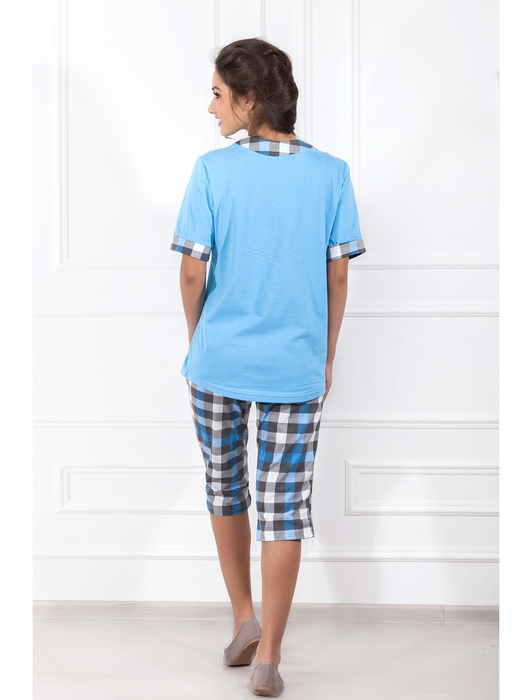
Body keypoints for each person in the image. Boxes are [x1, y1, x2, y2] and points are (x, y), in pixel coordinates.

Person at [170, 37, 366, 697]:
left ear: (250, 100)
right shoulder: (332, 173)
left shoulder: (211, 171)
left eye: (218, 95)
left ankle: (243, 619)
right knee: (285, 507)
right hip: (295, 365)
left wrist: (199, 341)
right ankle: (270, 657)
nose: (211, 108)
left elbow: (192, 273)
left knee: (225, 487)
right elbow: (338, 278)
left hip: (219, 360)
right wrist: (326, 352)